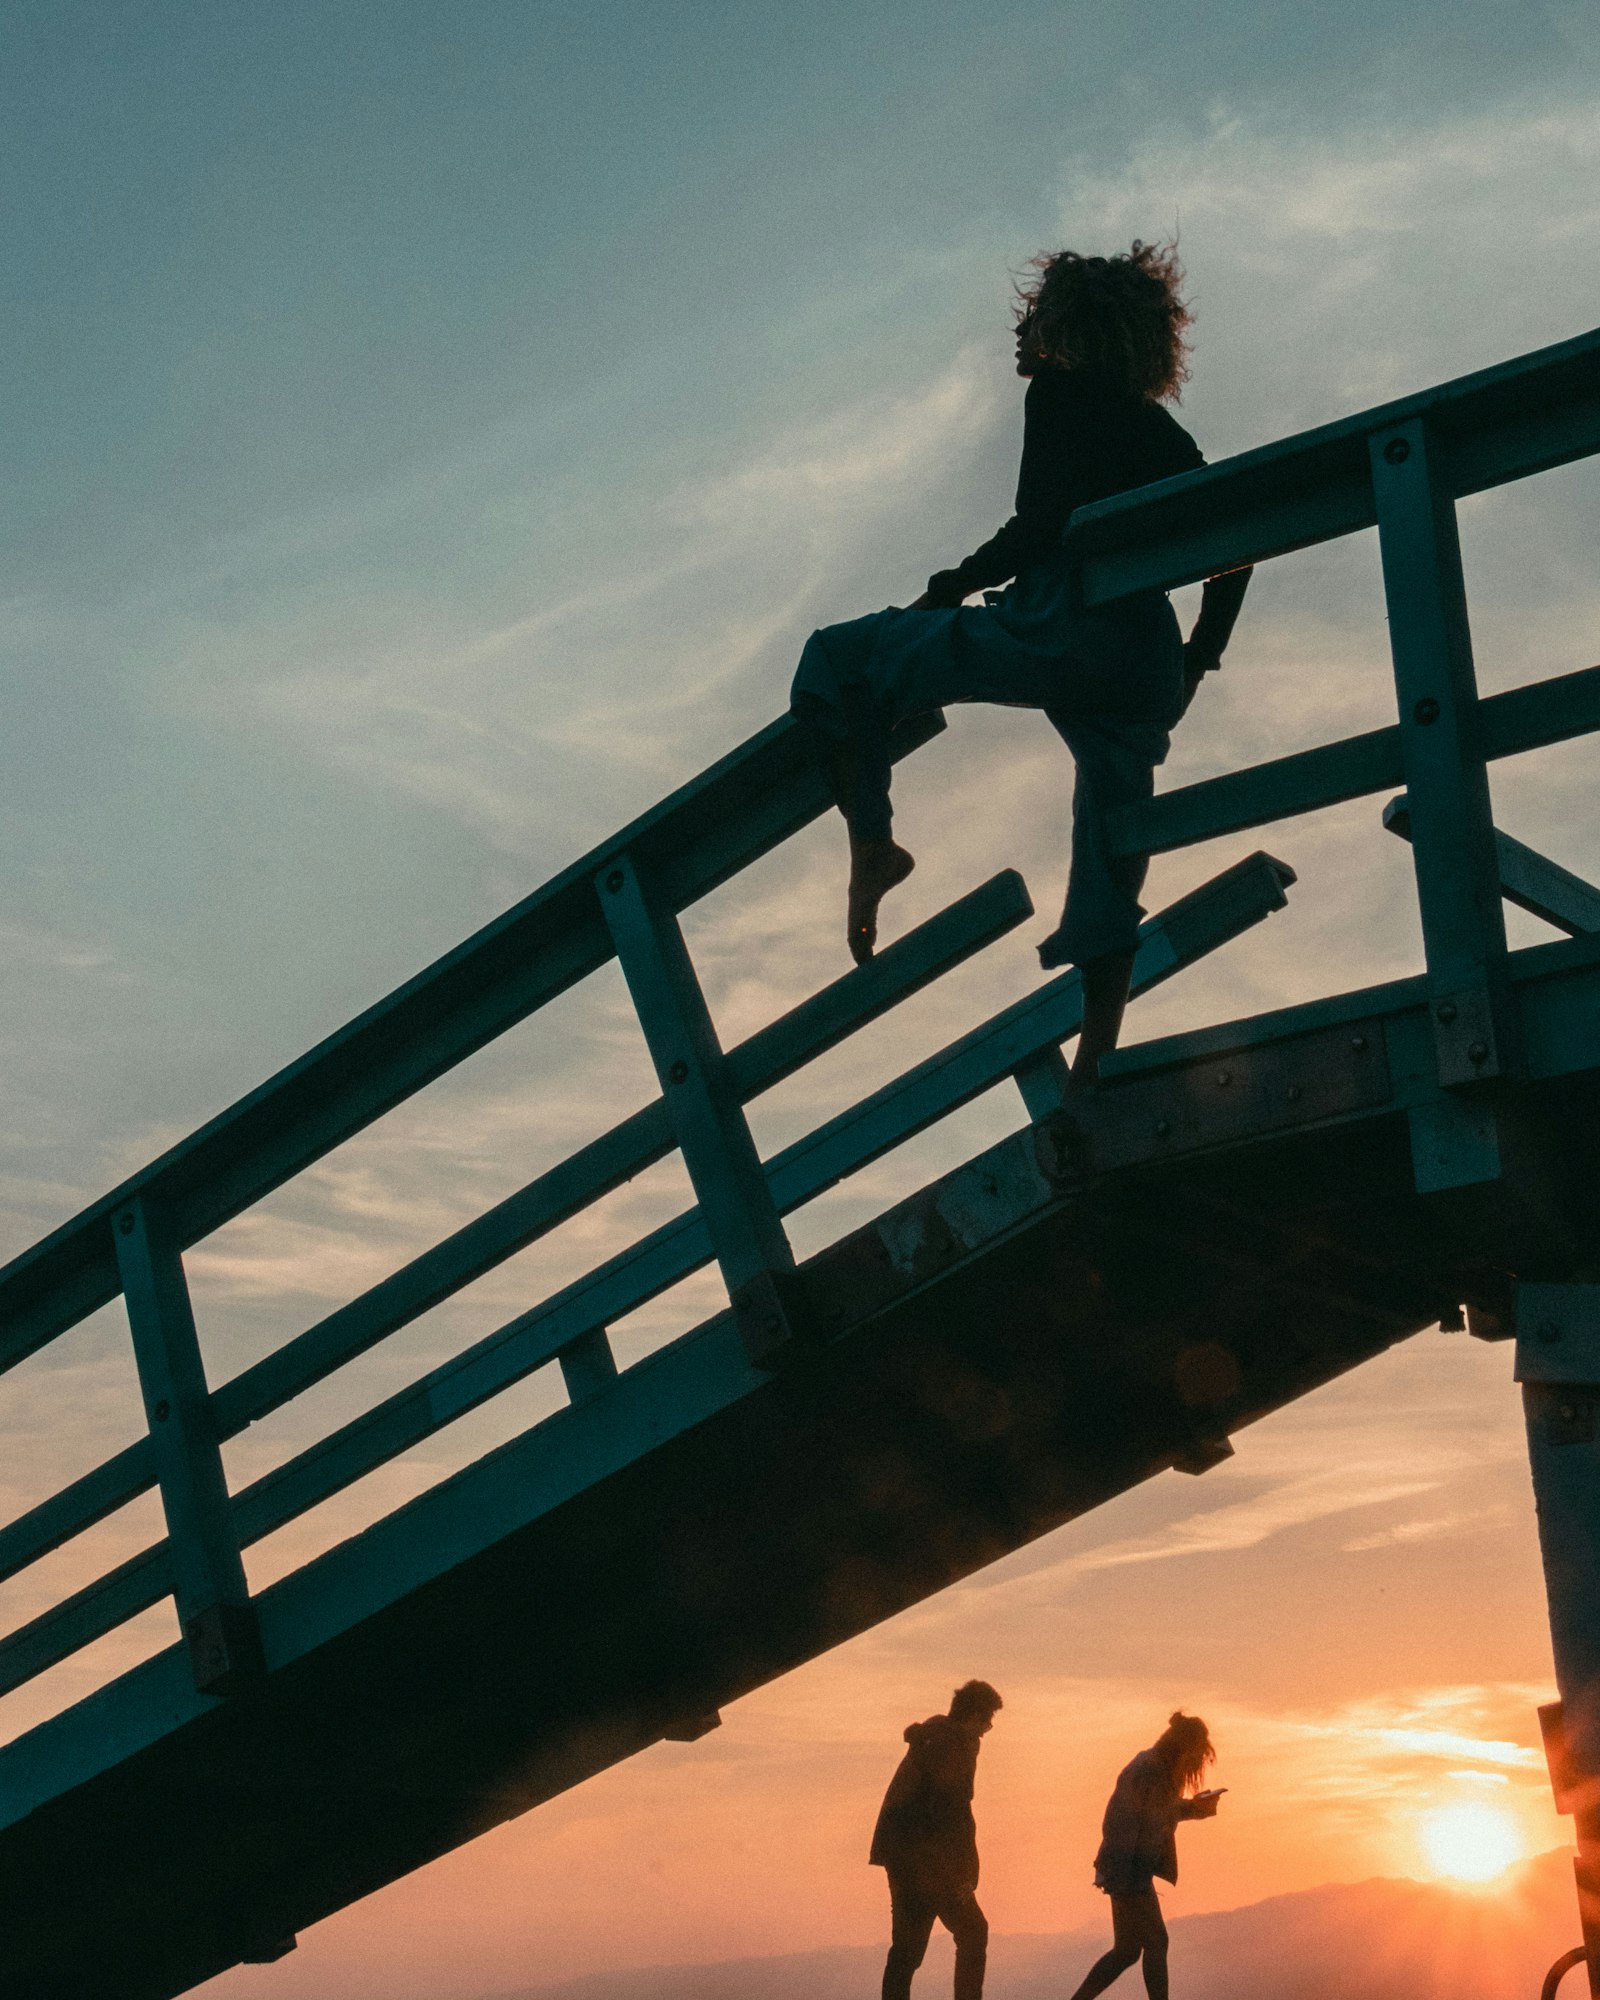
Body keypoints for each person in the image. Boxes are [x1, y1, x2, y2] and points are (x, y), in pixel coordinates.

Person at [790, 242, 1252, 1081]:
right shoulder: (1156, 428)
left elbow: (1037, 528)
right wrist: (1197, 659)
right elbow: (1237, 543)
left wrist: (947, 586)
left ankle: (873, 842)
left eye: (1031, 316)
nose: (1018, 332)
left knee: (839, 661)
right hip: (1140, 660)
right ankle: (1096, 1063)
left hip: (1056, 631)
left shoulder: (1058, 393)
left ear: (1067, 326)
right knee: (1112, 835)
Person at [1067, 1712, 1222, 2000]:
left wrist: (1196, 1808)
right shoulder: (1151, 1771)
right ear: (1185, 1749)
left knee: (1126, 1951)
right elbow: (1128, 1822)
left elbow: (1159, 1811)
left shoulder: (1153, 1768)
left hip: (1122, 1868)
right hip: (1128, 1871)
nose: (1196, 1763)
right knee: (1157, 1943)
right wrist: (1129, 1881)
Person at [870, 1678, 1004, 2000]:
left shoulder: (935, 1737)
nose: (988, 1727)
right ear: (972, 1715)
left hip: (904, 1856)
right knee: (973, 1932)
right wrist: (962, 1872)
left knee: (907, 1950)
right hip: (927, 1860)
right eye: (986, 1719)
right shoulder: (953, 1744)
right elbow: (951, 1812)